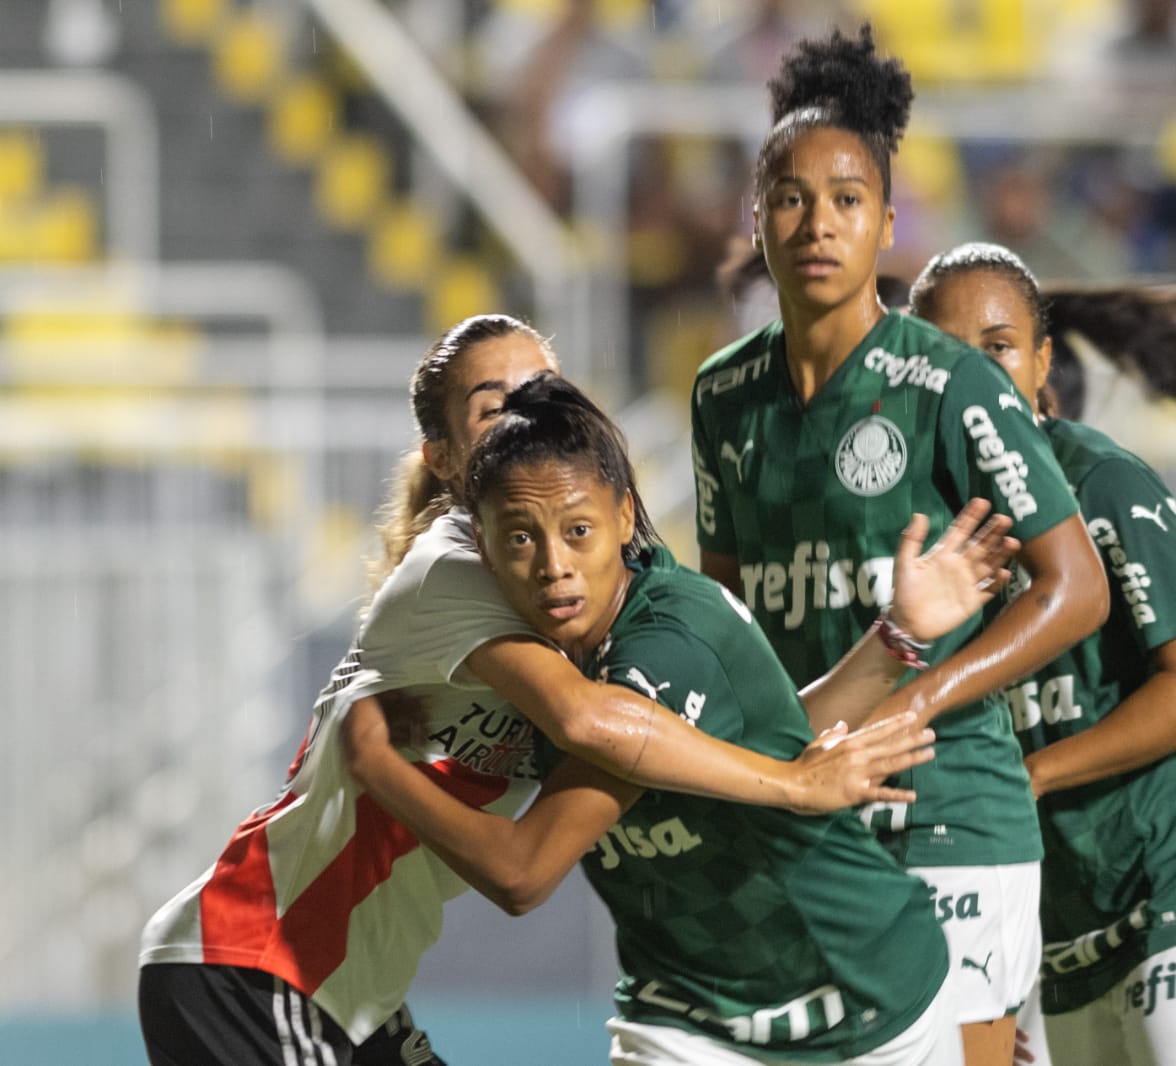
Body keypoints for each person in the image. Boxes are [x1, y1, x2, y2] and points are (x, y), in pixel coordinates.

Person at [137, 314, 940, 1066]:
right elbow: (589, 724)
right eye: (495, 407)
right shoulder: (458, 567)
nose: (528, 419)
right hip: (255, 960)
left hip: (349, 989)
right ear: (444, 459)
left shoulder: (575, 587)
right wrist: (796, 784)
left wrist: (892, 643)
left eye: (542, 393)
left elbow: (705, 727)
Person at [342, 372, 1013, 1064]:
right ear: (481, 549)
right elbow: (772, 734)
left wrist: (380, 767)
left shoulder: (670, 637)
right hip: (684, 1016)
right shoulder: (513, 650)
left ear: (625, 517)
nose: (554, 566)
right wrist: (892, 641)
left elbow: (525, 869)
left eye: (578, 531)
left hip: (865, 1001)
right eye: (519, 540)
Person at [691, 26, 1111, 1066]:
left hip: (950, 807)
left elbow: (1077, 588)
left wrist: (920, 694)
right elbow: (732, 618)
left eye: (847, 199)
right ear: (756, 216)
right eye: (790, 196)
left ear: (886, 225)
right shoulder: (720, 397)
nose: (817, 221)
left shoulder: (948, 383)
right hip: (811, 803)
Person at [909, 241, 1176, 1065]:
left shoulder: (1101, 485)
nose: (974, 373)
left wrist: (1031, 776)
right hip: (1048, 932)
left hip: (1171, 908)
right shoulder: (911, 517)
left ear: (1041, 364)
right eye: (946, 353)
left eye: (996, 348)